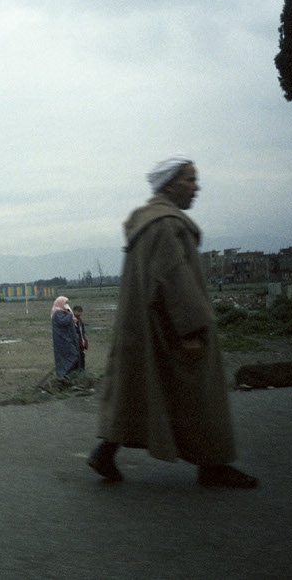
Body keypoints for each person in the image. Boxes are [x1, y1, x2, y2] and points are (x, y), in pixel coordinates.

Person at [87, 155, 258, 489]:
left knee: (136, 390)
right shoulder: (167, 225)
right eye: (189, 180)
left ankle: (105, 452)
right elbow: (174, 278)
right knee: (200, 394)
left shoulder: (145, 223)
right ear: (168, 184)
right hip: (171, 328)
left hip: (143, 326)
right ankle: (213, 464)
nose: (196, 187)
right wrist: (191, 328)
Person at [51, 296, 80, 378]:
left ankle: (68, 373)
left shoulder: (64, 312)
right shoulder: (57, 313)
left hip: (67, 338)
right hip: (62, 339)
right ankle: (63, 373)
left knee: (71, 355)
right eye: (65, 303)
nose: (67, 305)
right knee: (71, 355)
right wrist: (70, 315)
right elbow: (63, 321)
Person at [72, 305, 88, 370]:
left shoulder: (80, 320)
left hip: (81, 341)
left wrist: (84, 340)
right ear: (74, 311)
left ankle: (81, 369)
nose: (79, 313)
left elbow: (82, 331)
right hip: (75, 341)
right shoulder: (72, 320)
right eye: (78, 311)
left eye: (80, 312)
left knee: (82, 356)